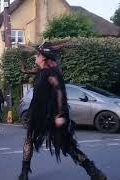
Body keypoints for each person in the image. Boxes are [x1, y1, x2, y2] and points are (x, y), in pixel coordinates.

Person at [18, 42, 107, 180]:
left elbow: (59, 91)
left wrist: (60, 114)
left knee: (67, 146)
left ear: (44, 58)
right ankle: (24, 173)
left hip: (52, 115)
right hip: (37, 113)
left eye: (38, 55)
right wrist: (22, 57)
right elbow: (23, 70)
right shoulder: (41, 71)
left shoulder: (51, 73)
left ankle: (94, 171)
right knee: (28, 140)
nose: (36, 56)